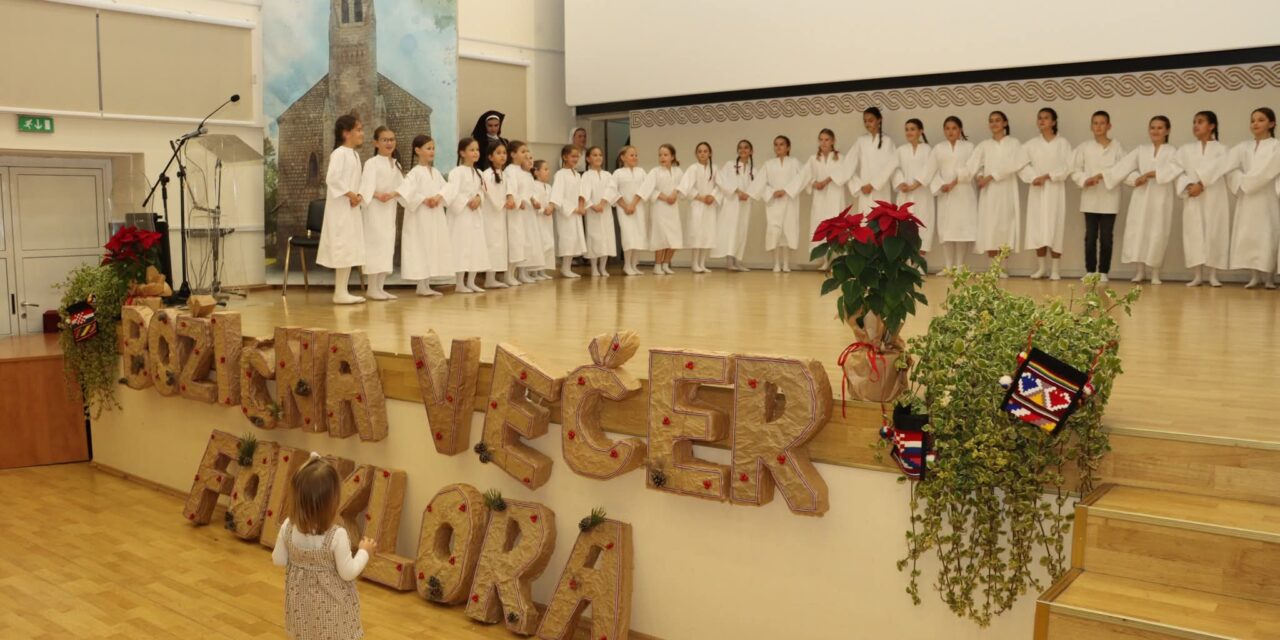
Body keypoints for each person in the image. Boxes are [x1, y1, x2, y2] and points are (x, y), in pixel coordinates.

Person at [272, 453, 377, 640]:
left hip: (301, 614)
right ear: (332, 503)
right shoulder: (336, 535)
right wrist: (364, 552)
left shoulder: (288, 526)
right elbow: (348, 572)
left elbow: (278, 560)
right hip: (333, 617)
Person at [1104, 116, 1180, 284]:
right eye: (1152, 127)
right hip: (1141, 196)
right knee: (1138, 231)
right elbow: (1121, 168)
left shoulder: (1172, 151)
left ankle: (1155, 273)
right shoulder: (1141, 149)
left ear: (1167, 130)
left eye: (1160, 128)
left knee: (1157, 232)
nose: (1155, 131)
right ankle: (1140, 271)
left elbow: (1174, 169)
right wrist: (1136, 179)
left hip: (1161, 198)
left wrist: (1153, 173)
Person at [1226, 107, 1280, 288]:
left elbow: (1269, 171)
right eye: (1253, 120)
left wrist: (1248, 182)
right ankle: (1254, 275)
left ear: (1272, 124)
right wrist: (1241, 181)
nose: (1255, 123)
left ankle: (1269, 277)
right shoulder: (1243, 147)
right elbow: (1229, 167)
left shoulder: (1276, 146)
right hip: (1247, 198)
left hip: (1267, 197)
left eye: (1261, 120)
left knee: (1267, 233)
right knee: (1249, 234)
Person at [1176, 111, 1231, 287]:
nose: (1196, 125)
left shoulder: (1223, 149)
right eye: (1194, 122)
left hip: (1215, 197)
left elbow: (1221, 168)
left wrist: (1201, 183)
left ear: (1212, 125)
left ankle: (1213, 275)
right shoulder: (1185, 150)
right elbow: (1177, 171)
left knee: (1214, 232)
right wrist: (1188, 186)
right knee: (1194, 233)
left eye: (1200, 122)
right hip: (1193, 196)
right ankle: (1197, 275)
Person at [316, 114, 367, 305]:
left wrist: (358, 196)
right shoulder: (339, 154)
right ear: (346, 133)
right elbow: (333, 179)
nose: (362, 133)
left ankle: (342, 291)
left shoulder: (354, 154)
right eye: (359, 130)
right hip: (340, 209)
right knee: (342, 247)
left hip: (351, 207)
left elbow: (357, 181)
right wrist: (350, 194)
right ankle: (340, 292)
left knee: (349, 248)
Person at [1018, 107, 1072, 280]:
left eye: (1046, 118)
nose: (1042, 121)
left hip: (1055, 190)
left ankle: (1055, 270)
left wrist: (1050, 176)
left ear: (1054, 122)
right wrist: (1033, 178)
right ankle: (1041, 268)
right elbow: (1021, 165)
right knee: (1038, 228)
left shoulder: (1063, 143)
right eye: (1039, 118)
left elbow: (1068, 166)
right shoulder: (1030, 144)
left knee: (1055, 227)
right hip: (1037, 190)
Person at [1071, 111, 1126, 281]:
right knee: (1090, 237)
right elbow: (1075, 170)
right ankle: (1090, 270)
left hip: (1110, 197)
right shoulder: (1084, 147)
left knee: (1106, 237)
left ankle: (1103, 271)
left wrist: (1103, 176)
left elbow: (1122, 169)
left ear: (1109, 126)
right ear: (1091, 126)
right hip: (1090, 197)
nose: (1099, 126)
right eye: (1095, 123)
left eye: (1102, 123)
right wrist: (1085, 180)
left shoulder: (1117, 147)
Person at [399, 135, 454, 296]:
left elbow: (447, 189)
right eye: (428, 148)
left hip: (434, 216)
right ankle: (421, 285)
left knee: (432, 246)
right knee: (420, 246)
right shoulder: (414, 173)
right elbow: (406, 193)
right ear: (417, 150)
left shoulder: (435, 172)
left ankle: (426, 284)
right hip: (420, 217)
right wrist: (424, 200)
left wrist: (437, 197)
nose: (432, 151)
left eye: (433, 148)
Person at [969, 110, 1024, 268]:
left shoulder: (1014, 143)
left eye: (997, 120)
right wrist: (979, 176)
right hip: (989, 192)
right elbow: (977, 166)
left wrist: (992, 175)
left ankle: (1003, 267)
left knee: (1006, 226)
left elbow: (1014, 164)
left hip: (1007, 190)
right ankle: (992, 268)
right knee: (990, 227)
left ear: (1005, 123)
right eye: (991, 121)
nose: (994, 123)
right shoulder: (984, 145)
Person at [358, 126, 404, 300]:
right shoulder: (372, 163)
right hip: (374, 211)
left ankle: (380, 287)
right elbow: (365, 187)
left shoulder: (396, 164)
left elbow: (402, 187)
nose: (389, 143)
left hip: (389, 210)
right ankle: (371, 288)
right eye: (385, 140)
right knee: (374, 246)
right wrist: (378, 195)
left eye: (392, 139)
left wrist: (392, 194)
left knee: (386, 246)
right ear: (376, 143)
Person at [750, 135, 806, 272]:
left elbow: (803, 178)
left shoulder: (794, 162)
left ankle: (786, 264)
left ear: (788, 147)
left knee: (788, 230)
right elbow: (760, 183)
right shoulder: (768, 164)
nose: (778, 147)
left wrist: (787, 190)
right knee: (774, 231)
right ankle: (775, 263)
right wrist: (772, 192)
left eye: (782, 144)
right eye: (776, 144)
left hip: (789, 200)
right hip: (774, 202)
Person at [930, 116, 977, 270]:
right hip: (946, 193)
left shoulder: (969, 147)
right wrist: (940, 185)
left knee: (961, 230)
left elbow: (972, 168)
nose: (950, 131)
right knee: (946, 230)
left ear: (960, 129)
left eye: (954, 128)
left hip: (963, 193)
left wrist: (955, 182)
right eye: (947, 128)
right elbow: (931, 170)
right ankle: (948, 267)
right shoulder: (938, 148)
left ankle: (960, 266)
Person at [446, 137, 490, 293]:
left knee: (475, 246)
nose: (475, 153)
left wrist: (478, 198)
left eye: (477, 150)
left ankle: (471, 281)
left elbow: (483, 191)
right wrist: (467, 201)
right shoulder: (456, 172)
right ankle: (459, 283)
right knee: (461, 246)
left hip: (475, 215)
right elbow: (453, 193)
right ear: (462, 153)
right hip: (461, 216)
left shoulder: (479, 172)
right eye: (471, 150)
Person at [894, 119, 936, 258]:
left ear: (920, 131)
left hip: (922, 195)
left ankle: (919, 263)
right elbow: (895, 169)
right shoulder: (900, 150)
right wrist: (901, 183)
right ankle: (906, 263)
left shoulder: (928, 150)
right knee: (905, 227)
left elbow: (930, 170)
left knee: (922, 225)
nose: (909, 132)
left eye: (912, 129)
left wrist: (915, 185)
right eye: (907, 129)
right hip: (904, 194)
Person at [678, 142, 722, 273]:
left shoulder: (714, 168)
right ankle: (694, 263)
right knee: (697, 234)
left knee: (707, 234)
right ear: (696, 154)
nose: (702, 154)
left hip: (709, 205)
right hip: (697, 204)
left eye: (705, 151)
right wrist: (701, 198)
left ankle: (702, 263)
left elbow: (719, 186)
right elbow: (686, 187)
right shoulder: (693, 168)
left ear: (710, 153)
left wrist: (712, 196)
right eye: (700, 151)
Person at [845, 107, 898, 214]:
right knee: (865, 223)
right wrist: (859, 185)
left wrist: (874, 184)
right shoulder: (861, 141)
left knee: (882, 222)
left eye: (870, 120)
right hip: (865, 191)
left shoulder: (888, 141)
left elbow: (891, 166)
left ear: (879, 120)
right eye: (865, 121)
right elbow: (847, 164)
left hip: (881, 190)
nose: (867, 124)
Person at [806, 129, 847, 267]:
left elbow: (843, 173)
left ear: (833, 141)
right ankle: (824, 260)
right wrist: (814, 182)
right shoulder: (813, 158)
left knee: (834, 225)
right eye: (821, 139)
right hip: (820, 196)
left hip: (834, 196)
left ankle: (835, 260)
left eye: (827, 139)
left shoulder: (839, 157)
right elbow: (806, 175)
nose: (824, 142)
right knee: (820, 224)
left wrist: (827, 180)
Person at [506, 140, 544, 284]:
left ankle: (522, 272)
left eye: (527, 151)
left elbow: (528, 191)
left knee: (525, 242)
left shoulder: (523, 172)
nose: (526, 154)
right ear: (513, 154)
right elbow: (511, 189)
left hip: (526, 213)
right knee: (516, 242)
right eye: (523, 152)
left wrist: (533, 200)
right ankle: (509, 275)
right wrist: (517, 200)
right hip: (517, 212)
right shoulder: (509, 170)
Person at [715, 140, 755, 271]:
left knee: (741, 230)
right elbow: (721, 180)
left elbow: (757, 185)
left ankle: (737, 261)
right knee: (731, 230)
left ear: (751, 151)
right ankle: (729, 261)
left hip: (745, 203)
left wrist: (748, 194)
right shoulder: (729, 165)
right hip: (732, 202)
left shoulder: (753, 169)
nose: (743, 150)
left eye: (746, 148)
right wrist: (737, 191)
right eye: (740, 148)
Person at [579, 146, 619, 277]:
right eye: (595, 155)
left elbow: (612, 190)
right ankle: (594, 268)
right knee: (594, 238)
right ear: (588, 159)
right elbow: (583, 193)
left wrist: (602, 203)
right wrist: (592, 205)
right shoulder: (586, 175)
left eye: (600, 155)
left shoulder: (608, 175)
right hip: (593, 212)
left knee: (607, 238)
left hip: (605, 210)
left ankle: (603, 267)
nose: (598, 157)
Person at [613, 145, 653, 276]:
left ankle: (634, 265)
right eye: (631, 155)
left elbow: (645, 189)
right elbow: (613, 192)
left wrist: (634, 204)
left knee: (638, 236)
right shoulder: (617, 173)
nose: (634, 157)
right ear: (623, 157)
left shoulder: (641, 171)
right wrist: (626, 206)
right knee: (628, 236)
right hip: (624, 210)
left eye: (636, 155)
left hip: (638, 208)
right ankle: (627, 265)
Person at [480, 142, 515, 288]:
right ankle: (489, 277)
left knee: (499, 245)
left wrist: (510, 198)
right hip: (490, 214)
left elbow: (509, 190)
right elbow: (489, 194)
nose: (503, 156)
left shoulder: (505, 174)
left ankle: (492, 277)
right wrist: (502, 202)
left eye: (504, 153)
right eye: (498, 153)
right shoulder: (486, 174)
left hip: (500, 214)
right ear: (490, 156)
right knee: (491, 244)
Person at [551, 145, 588, 277]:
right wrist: (572, 208)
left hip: (576, 212)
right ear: (565, 157)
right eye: (573, 156)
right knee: (567, 239)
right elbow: (557, 195)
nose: (575, 158)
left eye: (577, 156)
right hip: (565, 214)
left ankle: (568, 266)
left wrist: (581, 206)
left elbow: (581, 193)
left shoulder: (577, 175)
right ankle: (565, 268)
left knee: (574, 240)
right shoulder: (560, 174)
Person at [647, 144, 685, 274]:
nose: (662, 157)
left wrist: (674, 195)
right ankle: (657, 265)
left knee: (674, 237)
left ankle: (665, 264)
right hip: (659, 208)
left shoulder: (678, 172)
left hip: (672, 209)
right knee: (660, 237)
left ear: (672, 157)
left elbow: (682, 187)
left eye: (665, 155)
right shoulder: (654, 172)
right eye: (660, 155)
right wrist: (664, 197)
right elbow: (649, 190)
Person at [532, 160, 557, 279]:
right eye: (545, 169)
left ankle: (542, 270)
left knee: (548, 244)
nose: (548, 172)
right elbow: (534, 202)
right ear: (536, 172)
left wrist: (551, 207)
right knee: (539, 244)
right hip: (538, 220)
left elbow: (553, 201)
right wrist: (542, 209)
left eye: (548, 169)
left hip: (547, 220)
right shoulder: (533, 185)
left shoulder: (549, 186)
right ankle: (534, 271)